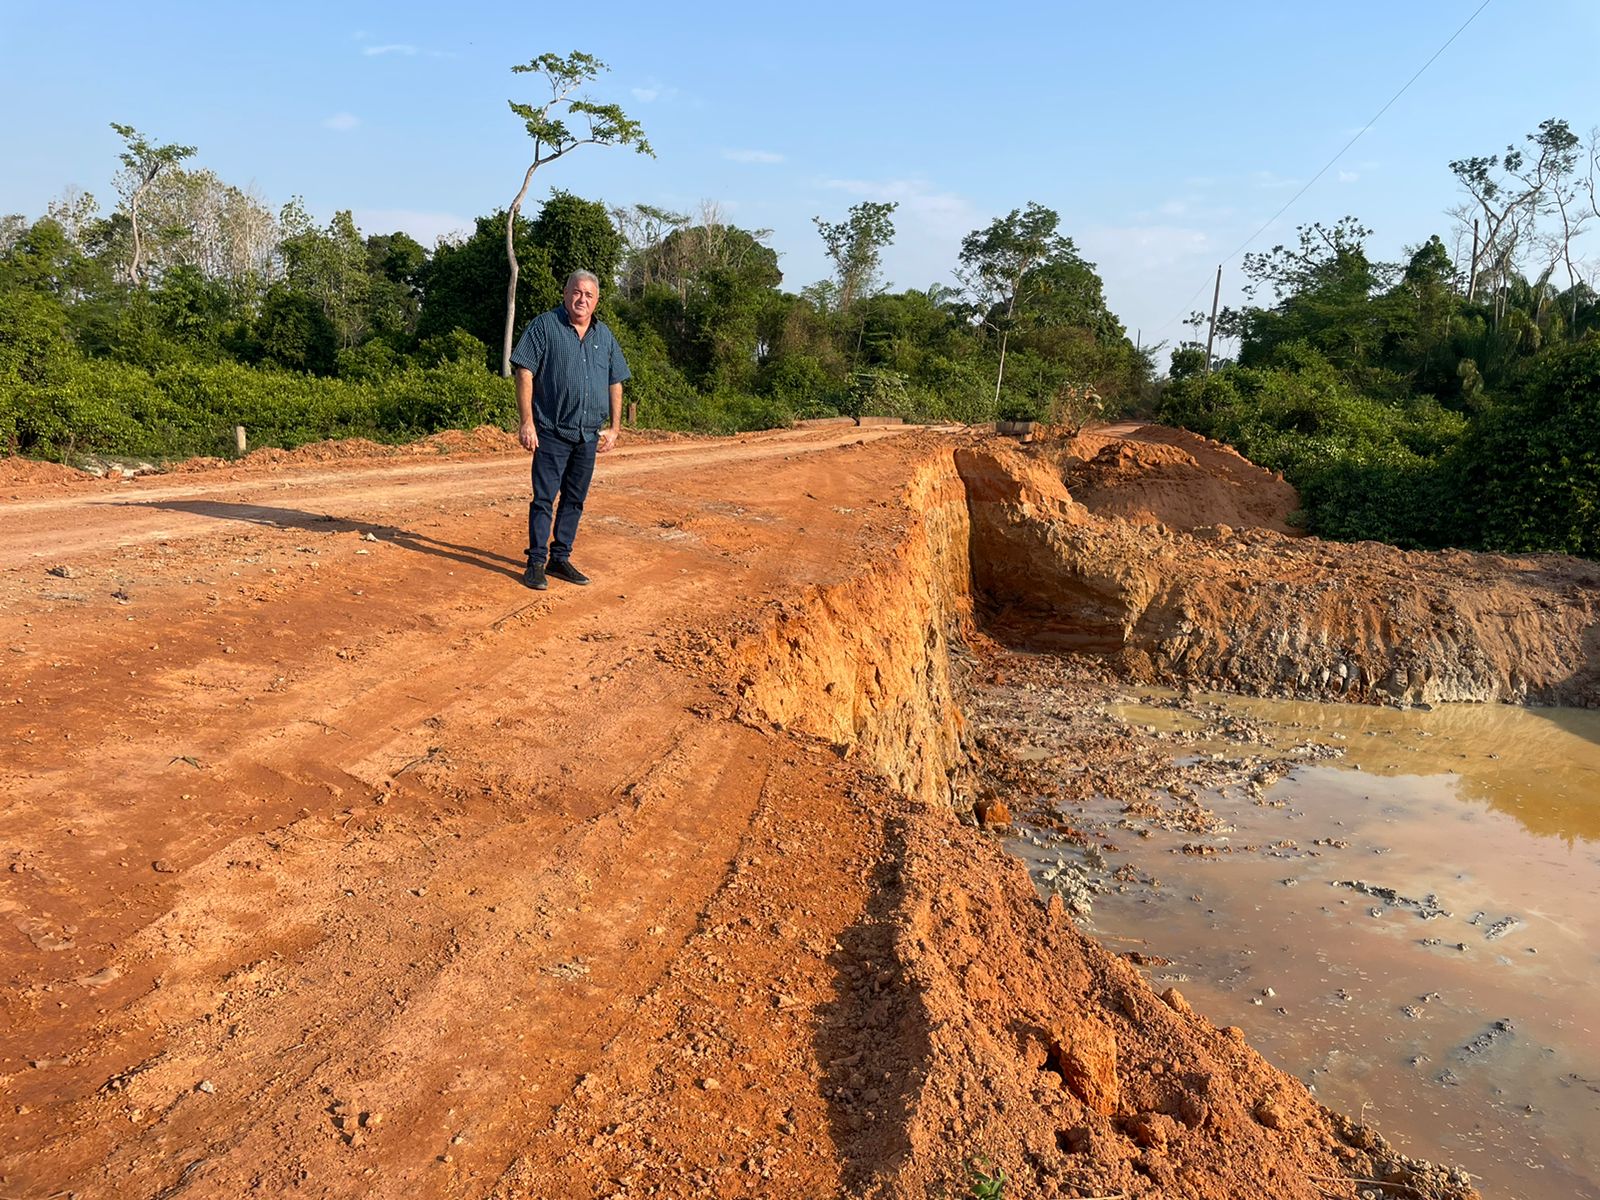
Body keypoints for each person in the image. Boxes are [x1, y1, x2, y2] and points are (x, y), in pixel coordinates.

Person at [510, 270, 630, 590]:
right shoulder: (545, 326)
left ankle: (559, 558)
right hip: (550, 430)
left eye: (589, 295)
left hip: (588, 435)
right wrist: (527, 422)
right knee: (544, 499)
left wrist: (615, 429)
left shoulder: (603, 336)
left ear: (597, 300)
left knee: (574, 499)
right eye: (577, 292)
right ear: (565, 294)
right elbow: (524, 372)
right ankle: (536, 562)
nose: (582, 299)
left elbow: (615, 380)